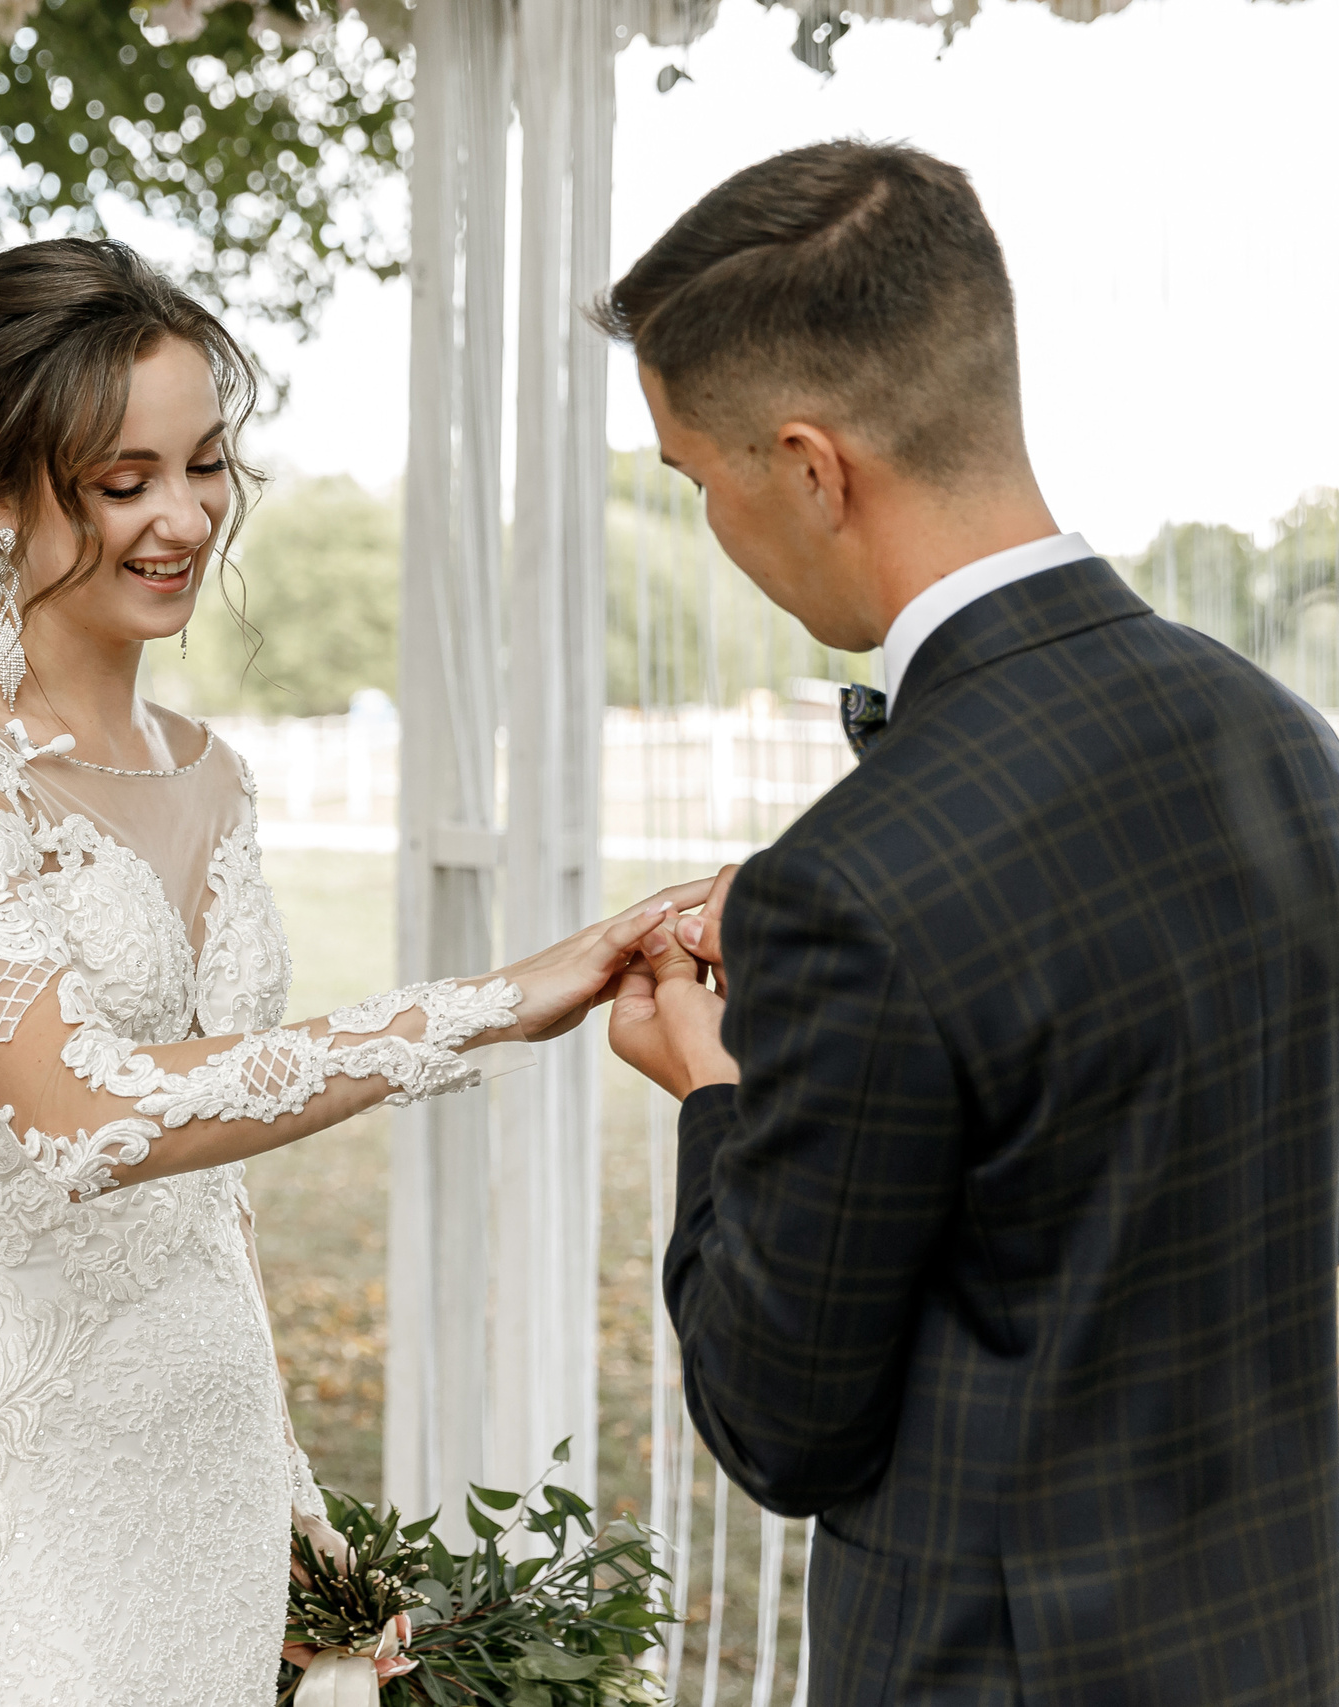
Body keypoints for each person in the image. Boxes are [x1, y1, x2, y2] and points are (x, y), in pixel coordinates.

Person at [0, 237, 708, 1706]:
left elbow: (210, 1187)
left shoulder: (215, 775)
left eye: (205, 464)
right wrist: (499, 1002)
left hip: (206, 1449)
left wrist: (292, 1493)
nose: (184, 517)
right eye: (122, 482)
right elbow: (87, 1116)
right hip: (6, 1458)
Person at [603, 142, 1339, 1706]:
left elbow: (781, 1422)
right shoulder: (1283, 738)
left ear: (810, 468)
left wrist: (717, 1090)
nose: (715, 530)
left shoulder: (848, 889)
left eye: (696, 480)